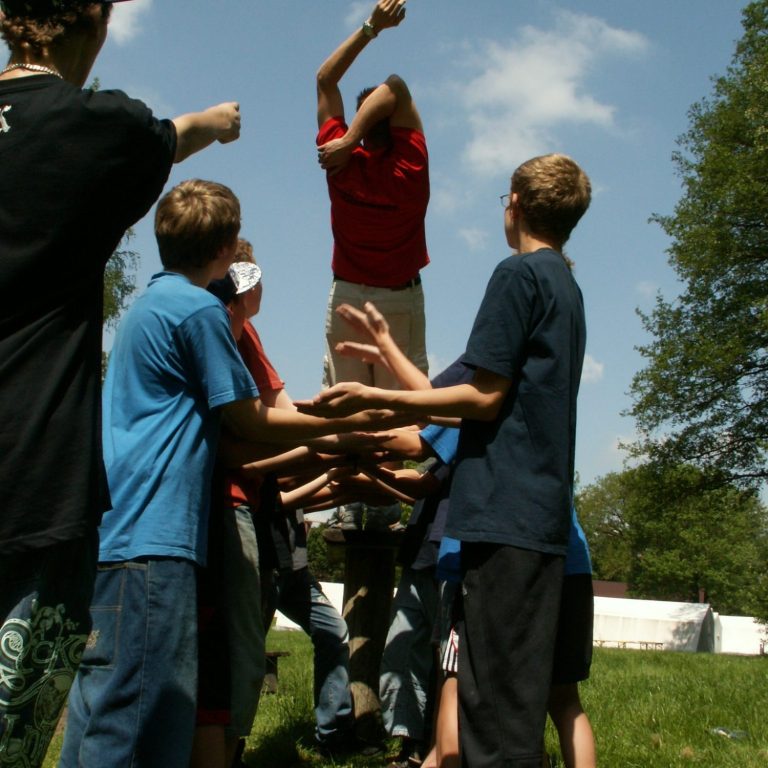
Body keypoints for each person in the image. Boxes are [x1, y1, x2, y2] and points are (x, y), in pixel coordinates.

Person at [60, 180, 395, 768]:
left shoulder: (149, 304)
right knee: (139, 713)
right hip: (158, 537)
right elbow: (248, 420)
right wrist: (340, 431)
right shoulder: (198, 311)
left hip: (117, 531)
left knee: (102, 704)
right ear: (225, 250)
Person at [0, 2, 241, 764]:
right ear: (98, 25)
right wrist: (214, 120)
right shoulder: (104, 130)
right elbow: (168, 138)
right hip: (31, 471)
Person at [297, 153, 592, 767]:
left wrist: (381, 394)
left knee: (491, 715)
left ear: (514, 202)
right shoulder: (567, 285)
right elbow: (494, 404)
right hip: (536, 520)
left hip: (502, 519)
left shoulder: (518, 275)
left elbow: (481, 397)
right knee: (509, 701)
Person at [316, 0, 430, 531]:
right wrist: (358, 135)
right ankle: (385, 508)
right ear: (396, 127)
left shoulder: (338, 163)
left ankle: (345, 501)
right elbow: (397, 86)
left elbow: (325, 77)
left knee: (345, 405)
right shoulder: (412, 166)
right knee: (394, 408)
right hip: (399, 300)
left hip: (347, 295)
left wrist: (370, 28)